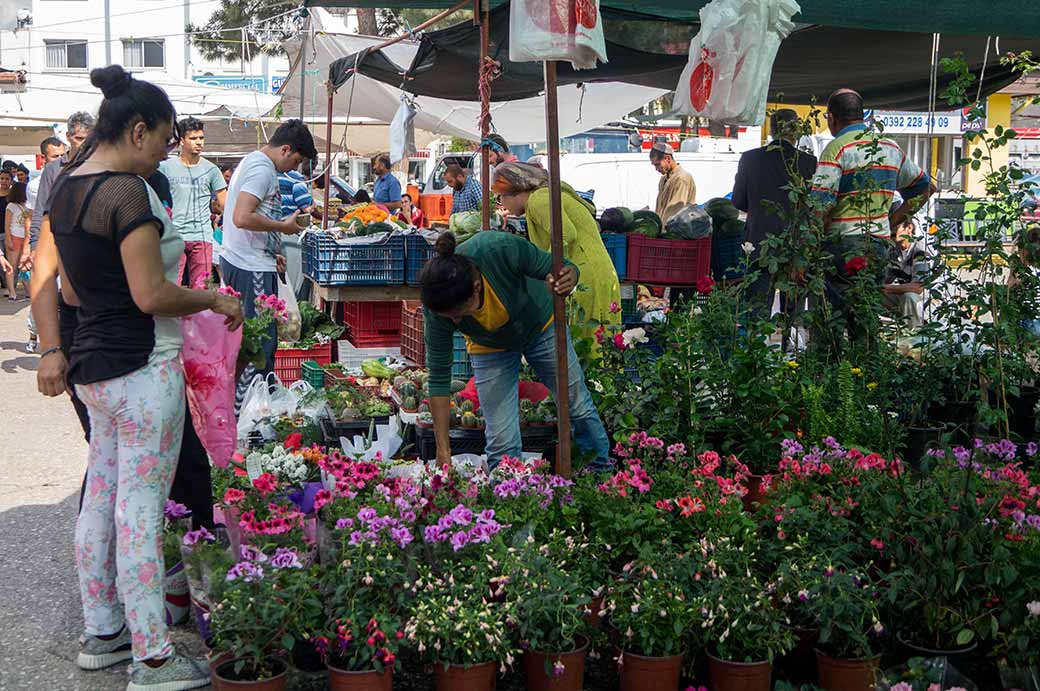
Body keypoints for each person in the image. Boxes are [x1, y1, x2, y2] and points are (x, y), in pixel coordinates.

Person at [47, 65, 242, 689]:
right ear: (136, 131)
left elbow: (71, 288)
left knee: (101, 500)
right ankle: (153, 657)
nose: (165, 149)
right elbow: (152, 294)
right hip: (142, 367)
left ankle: (103, 630)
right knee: (139, 508)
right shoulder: (126, 193)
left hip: (94, 371)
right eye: (162, 139)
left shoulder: (68, 189)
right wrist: (211, 300)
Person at [420, 231, 611, 470]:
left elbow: (560, 267)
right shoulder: (437, 307)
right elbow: (438, 377)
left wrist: (570, 275)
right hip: (488, 345)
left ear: (476, 286)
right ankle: (508, 493)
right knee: (501, 439)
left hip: (540, 325)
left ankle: (601, 474)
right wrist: (443, 450)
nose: (456, 321)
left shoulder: (498, 249)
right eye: (449, 317)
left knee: (577, 404)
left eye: (460, 313)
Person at [811, 89, 936, 340]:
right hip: (877, 245)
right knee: (865, 317)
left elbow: (819, 207)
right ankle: (866, 372)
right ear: (862, 115)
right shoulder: (889, 147)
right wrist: (893, 221)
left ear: (832, 118)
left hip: (841, 245)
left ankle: (829, 374)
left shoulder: (836, 149)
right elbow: (926, 188)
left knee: (830, 321)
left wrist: (812, 248)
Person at [221, 118, 316, 387]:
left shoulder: (252, 162)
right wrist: (282, 227)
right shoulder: (262, 170)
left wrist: (270, 250)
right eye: (296, 161)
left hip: (249, 259)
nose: (295, 168)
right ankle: (256, 410)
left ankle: (251, 406)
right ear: (285, 149)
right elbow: (242, 217)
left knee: (253, 342)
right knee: (259, 348)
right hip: (250, 267)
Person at [492, 161, 621, 332]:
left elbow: (565, 234)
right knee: (603, 343)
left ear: (513, 190)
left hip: (585, 275)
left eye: (500, 197)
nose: (501, 204)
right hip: (596, 271)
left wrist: (546, 269)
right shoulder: (545, 195)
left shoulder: (538, 200)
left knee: (586, 344)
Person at [732, 108, 818, 316]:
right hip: (796, 246)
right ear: (796, 131)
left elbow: (738, 201)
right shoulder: (808, 162)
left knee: (756, 311)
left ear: (770, 131)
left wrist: (760, 211)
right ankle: (790, 346)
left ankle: (755, 346)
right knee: (793, 313)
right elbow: (814, 206)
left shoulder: (750, 159)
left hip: (759, 243)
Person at [159, 116, 228, 288]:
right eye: (193, 138)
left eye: (201, 138)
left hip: (202, 237)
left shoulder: (212, 170)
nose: (199, 142)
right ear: (182, 141)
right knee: (171, 289)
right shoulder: (165, 168)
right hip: (173, 237)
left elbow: (226, 204)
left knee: (200, 290)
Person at [882, 215, 935, 328]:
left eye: (896, 226)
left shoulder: (920, 250)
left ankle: (914, 332)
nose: (892, 229)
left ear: (909, 228)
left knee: (909, 296)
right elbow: (887, 280)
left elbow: (918, 288)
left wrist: (887, 288)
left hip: (929, 300)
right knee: (873, 294)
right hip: (907, 296)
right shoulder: (893, 252)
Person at [650, 142, 696, 224]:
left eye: (657, 164)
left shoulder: (681, 178)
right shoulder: (664, 179)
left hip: (676, 231)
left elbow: (675, 211)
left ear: (667, 159)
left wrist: (663, 230)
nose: (656, 169)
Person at [4, 181, 30, 299]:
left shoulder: (27, 205)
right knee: (11, 266)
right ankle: (12, 292)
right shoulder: (11, 206)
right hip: (14, 236)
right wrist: (8, 239)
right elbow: (7, 224)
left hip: (24, 237)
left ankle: (28, 291)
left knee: (23, 265)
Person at [27, 137, 66, 211]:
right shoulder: (35, 186)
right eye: (55, 156)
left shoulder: (74, 179)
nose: (61, 160)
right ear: (43, 158)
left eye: (63, 155)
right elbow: (34, 214)